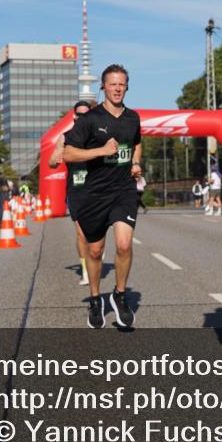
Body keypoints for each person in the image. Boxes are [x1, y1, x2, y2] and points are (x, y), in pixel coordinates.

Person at [63, 65, 143, 329]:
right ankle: (96, 299)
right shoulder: (89, 119)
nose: (117, 89)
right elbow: (68, 154)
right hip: (94, 194)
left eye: (122, 84)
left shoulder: (133, 118)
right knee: (95, 251)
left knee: (123, 244)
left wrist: (135, 162)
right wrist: (98, 151)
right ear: (103, 86)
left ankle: (119, 296)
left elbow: (137, 142)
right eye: (113, 84)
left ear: (127, 86)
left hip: (123, 191)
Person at [49, 100, 95, 286]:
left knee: (97, 234)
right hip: (76, 190)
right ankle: (85, 270)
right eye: (80, 115)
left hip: (97, 188)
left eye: (87, 115)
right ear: (75, 117)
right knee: (81, 234)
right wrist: (56, 158)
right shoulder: (65, 137)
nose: (83, 118)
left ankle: (95, 256)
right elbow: (52, 162)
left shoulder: (97, 137)